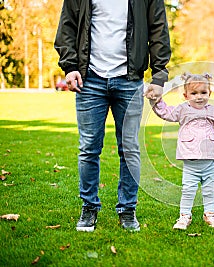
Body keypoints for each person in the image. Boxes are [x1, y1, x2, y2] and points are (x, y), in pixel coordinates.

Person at [54, 0, 171, 232]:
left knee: (129, 149)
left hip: (130, 80)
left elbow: (159, 29)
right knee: (88, 148)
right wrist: (70, 66)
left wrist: (159, 75)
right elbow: (66, 27)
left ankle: (127, 210)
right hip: (89, 80)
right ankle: (89, 208)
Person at [145, 73, 214, 230]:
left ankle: (210, 214)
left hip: (210, 159)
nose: (199, 97)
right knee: (188, 190)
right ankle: (184, 216)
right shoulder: (183, 110)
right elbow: (166, 113)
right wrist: (155, 100)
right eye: (194, 93)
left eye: (203, 93)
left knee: (209, 189)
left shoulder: (213, 111)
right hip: (190, 160)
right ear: (185, 95)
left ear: (209, 93)